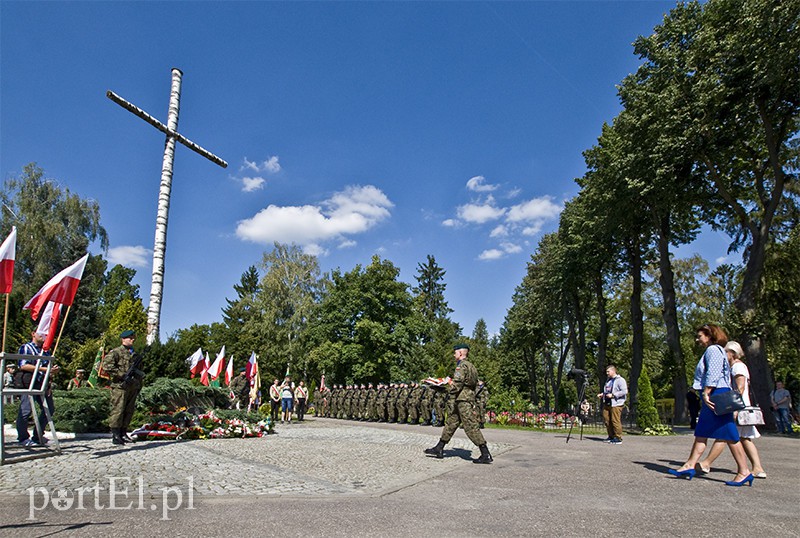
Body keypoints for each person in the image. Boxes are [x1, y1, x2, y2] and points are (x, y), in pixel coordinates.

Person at [668, 323, 753, 486]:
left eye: (700, 336)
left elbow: (713, 373)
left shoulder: (713, 350)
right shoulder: (719, 351)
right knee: (702, 431)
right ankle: (690, 465)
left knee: (729, 434)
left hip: (716, 395)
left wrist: (707, 392)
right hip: (716, 393)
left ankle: (744, 471)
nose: (697, 339)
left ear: (709, 336)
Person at [697, 341, 766, 479]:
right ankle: (758, 468)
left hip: (737, 407)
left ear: (733, 353)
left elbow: (739, 388)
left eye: (726, 352)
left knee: (725, 435)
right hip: (740, 406)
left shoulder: (737, 367)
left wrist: (732, 408)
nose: (723, 354)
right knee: (744, 438)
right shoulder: (736, 366)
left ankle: (706, 463)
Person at [424, 344, 493, 464]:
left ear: (461, 353)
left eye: (455, 352)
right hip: (461, 399)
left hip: (463, 400)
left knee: (470, 426)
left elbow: (457, 386)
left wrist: (439, 386)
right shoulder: (471, 366)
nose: (453, 355)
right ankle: (439, 448)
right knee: (451, 423)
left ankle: (485, 453)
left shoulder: (461, 366)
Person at [16, 330, 58, 446]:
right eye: (41, 333)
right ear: (33, 333)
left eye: (46, 334)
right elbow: (23, 365)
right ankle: (23, 438)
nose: (44, 336)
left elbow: (48, 369)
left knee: (49, 409)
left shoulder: (46, 351)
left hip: (43, 384)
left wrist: (50, 377)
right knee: (26, 410)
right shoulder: (26, 348)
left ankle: (38, 435)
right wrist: (44, 369)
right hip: (29, 383)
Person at [105, 330, 144, 445]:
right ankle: (116, 434)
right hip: (120, 386)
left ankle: (123, 432)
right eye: (130, 338)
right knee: (118, 410)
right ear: (123, 339)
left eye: (133, 338)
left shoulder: (134, 353)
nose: (132, 340)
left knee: (129, 410)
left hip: (132, 386)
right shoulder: (116, 352)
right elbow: (106, 366)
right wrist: (122, 375)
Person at [597, 365, 627, 444]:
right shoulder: (608, 381)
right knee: (607, 420)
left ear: (613, 371)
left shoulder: (620, 380)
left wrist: (613, 395)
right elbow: (607, 391)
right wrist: (602, 394)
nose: (607, 373)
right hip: (607, 403)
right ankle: (611, 436)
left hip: (616, 404)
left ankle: (618, 437)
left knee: (615, 421)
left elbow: (624, 391)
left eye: (608, 372)